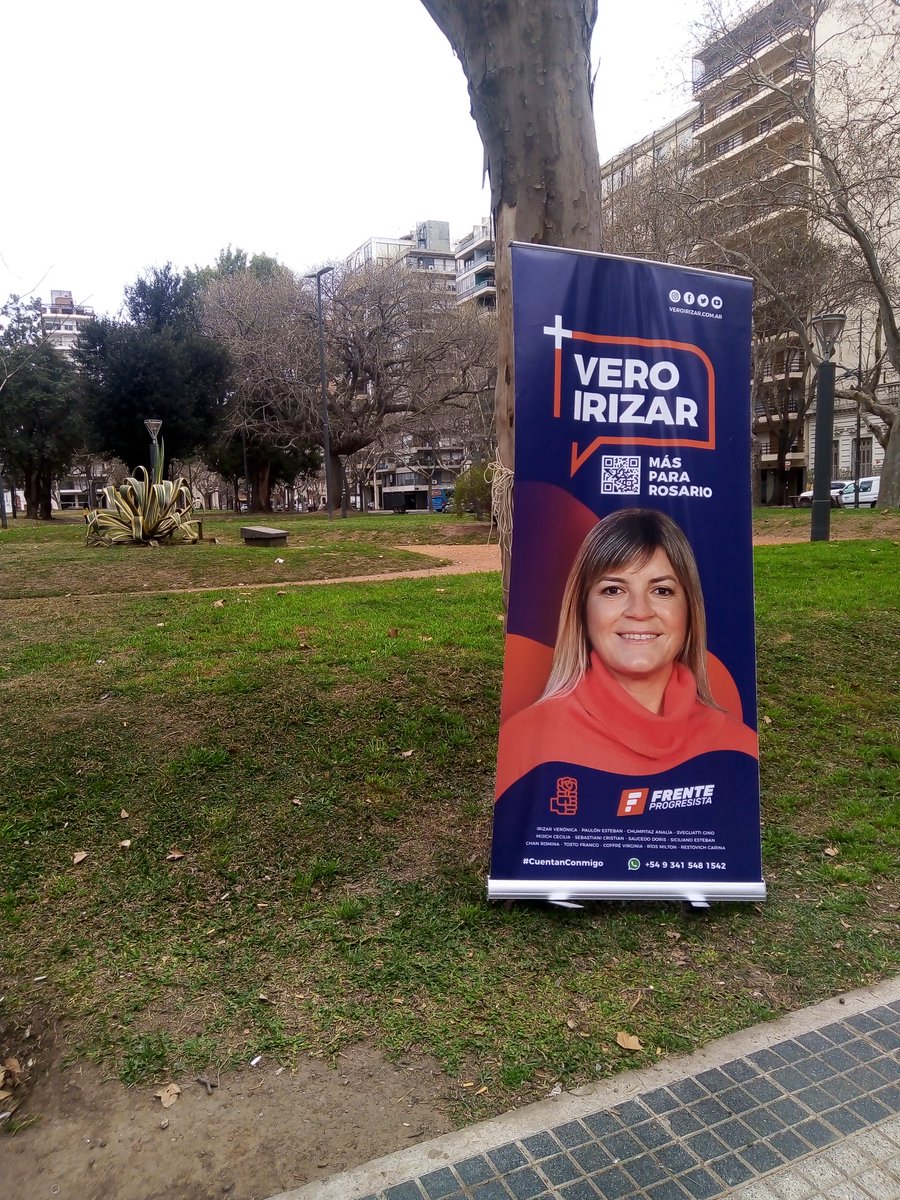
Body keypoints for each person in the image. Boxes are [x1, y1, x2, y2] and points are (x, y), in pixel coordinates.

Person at [494, 508, 757, 799]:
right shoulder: (524, 741)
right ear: (582, 609)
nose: (639, 611)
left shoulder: (738, 747)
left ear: (690, 611)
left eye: (662, 591)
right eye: (613, 590)